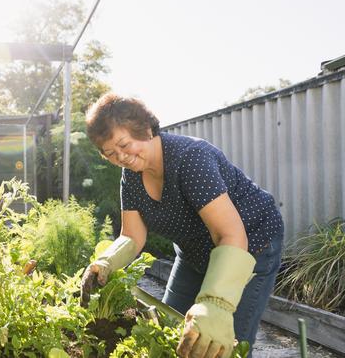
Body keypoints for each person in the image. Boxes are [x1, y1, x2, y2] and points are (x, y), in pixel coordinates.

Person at [80, 93, 283, 358]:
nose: (122, 157)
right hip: (195, 250)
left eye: (124, 144)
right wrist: (106, 262)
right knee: (167, 329)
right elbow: (132, 236)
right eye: (111, 153)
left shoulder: (190, 159)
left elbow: (229, 233)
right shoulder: (130, 176)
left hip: (250, 243)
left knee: (220, 342)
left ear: (146, 129)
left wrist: (216, 304)